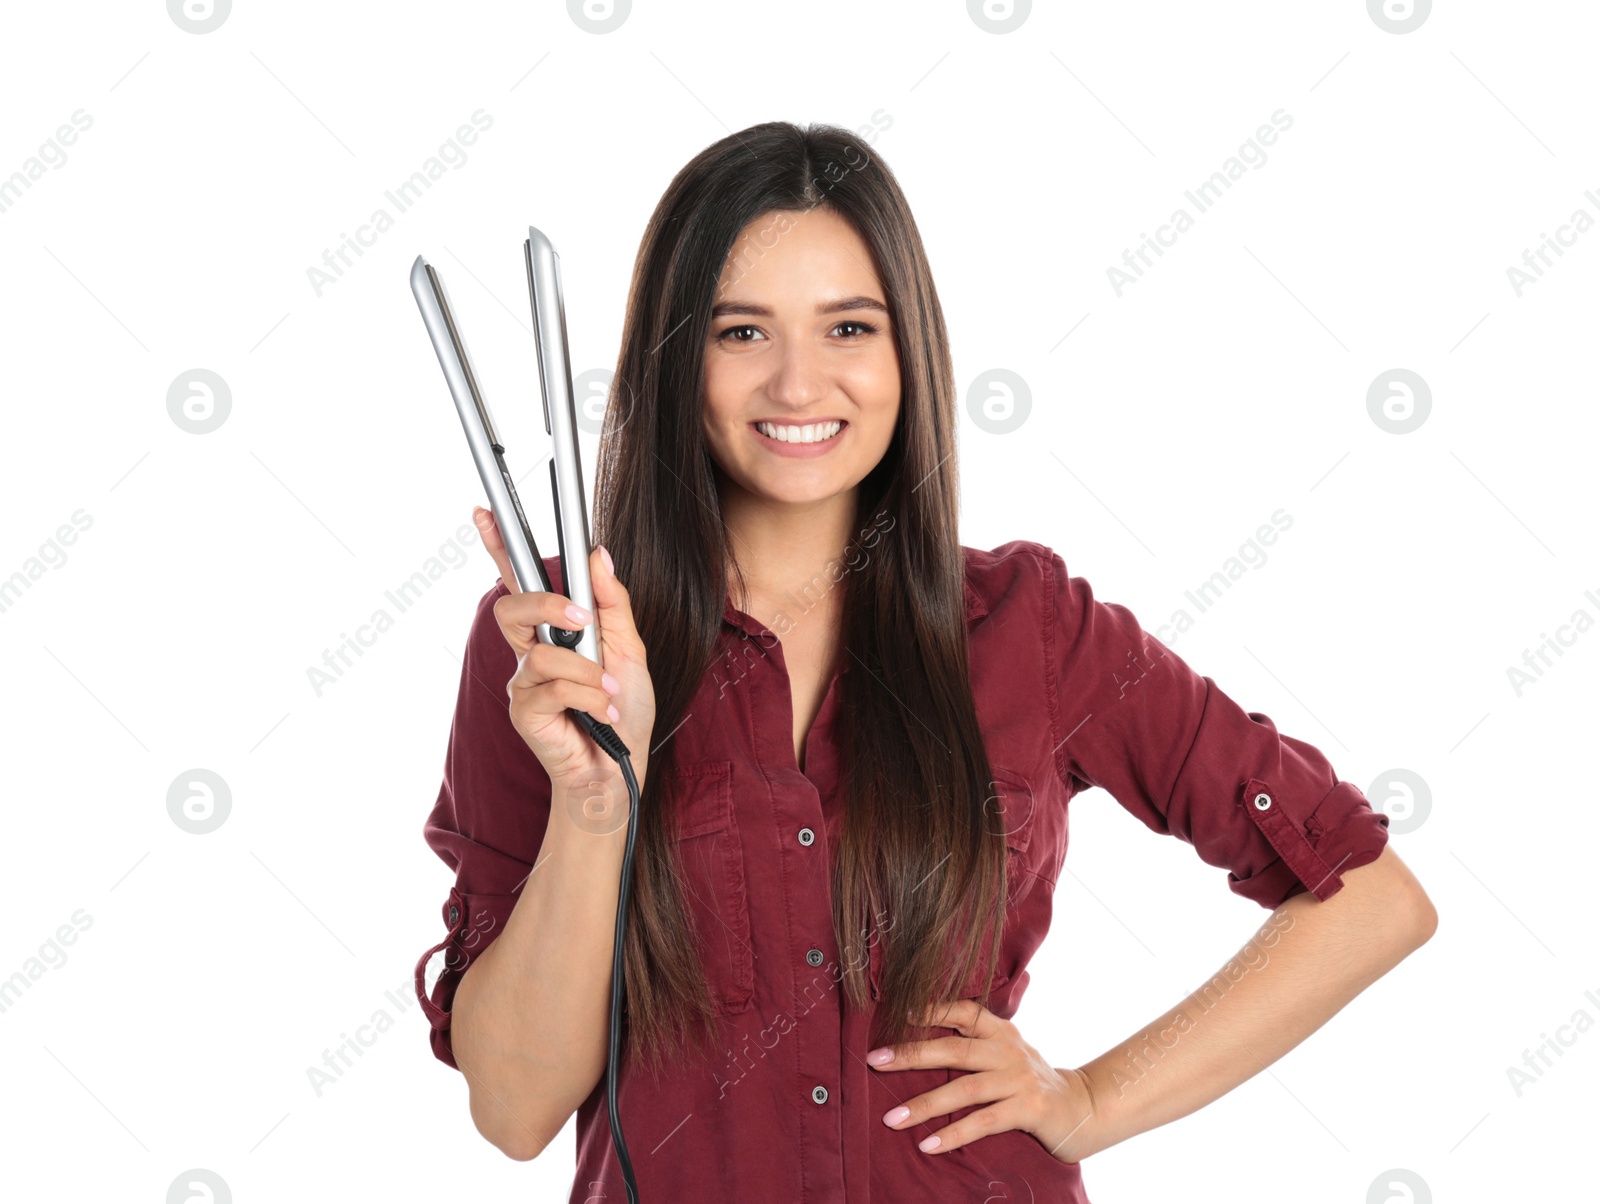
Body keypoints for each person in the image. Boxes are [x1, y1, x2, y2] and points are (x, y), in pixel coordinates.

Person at [413, 120, 1437, 1203]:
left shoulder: (1030, 624)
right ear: (675, 361)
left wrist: (1092, 1099)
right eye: (741, 333)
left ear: (909, 351)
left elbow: (1370, 897)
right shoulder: (553, 647)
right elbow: (515, 1108)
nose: (799, 384)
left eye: (848, 325)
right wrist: (593, 803)